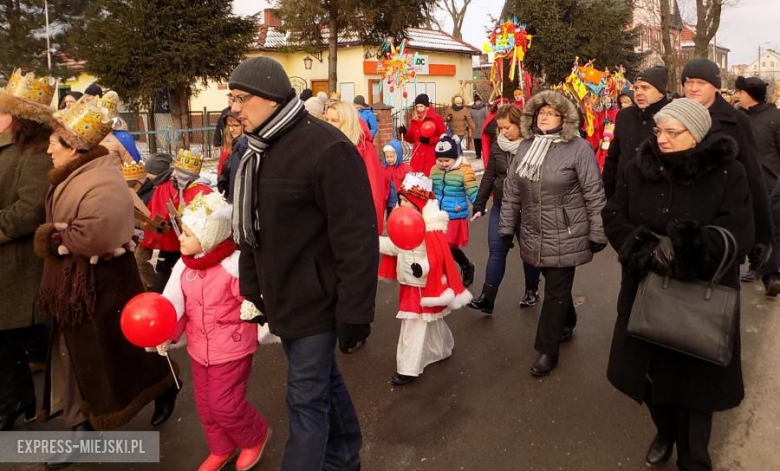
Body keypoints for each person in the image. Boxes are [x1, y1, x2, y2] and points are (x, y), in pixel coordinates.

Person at [228, 56, 377, 471]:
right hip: (281, 297)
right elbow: (253, 230)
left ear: (271, 98)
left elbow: (357, 238)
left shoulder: (327, 148)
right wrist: (252, 288)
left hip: (318, 300)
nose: (234, 108)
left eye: (241, 98)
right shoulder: (257, 150)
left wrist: (355, 313)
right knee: (322, 382)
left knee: (304, 397)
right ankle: (346, 455)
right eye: (231, 98)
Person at [602, 98, 753, 471]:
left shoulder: (727, 172)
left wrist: (687, 248)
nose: (663, 139)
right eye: (659, 130)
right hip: (645, 289)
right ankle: (665, 432)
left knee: (696, 388)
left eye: (673, 132)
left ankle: (695, 458)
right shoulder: (638, 168)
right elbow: (614, 215)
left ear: (698, 134)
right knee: (651, 380)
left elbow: (740, 231)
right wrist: (645, 248)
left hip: (700, 296)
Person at [35, 94, 178, 448]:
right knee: (84, 357)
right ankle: (80, 424)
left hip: (100, 286)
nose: (49, 149)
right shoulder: (74, 173)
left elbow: (94, 235)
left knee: (117, 353)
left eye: (55, 143)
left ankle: (162, 385)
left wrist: (50, 237)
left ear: (74, 147)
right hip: (77, 287)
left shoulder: (101, 179)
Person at [157, 193, 271, 471]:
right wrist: (166, 333)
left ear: (208, 236)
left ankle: (255, 436)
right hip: (199, 349)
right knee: (206, 405)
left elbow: (253, 297)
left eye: (187, 233)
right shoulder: (184, 267)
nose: (180, 238)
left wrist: (252, 307)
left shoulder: (233, 266)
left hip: (231, 349)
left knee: (225, 405)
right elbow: (177, 307)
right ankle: (222, 448)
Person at [499, 90, 607, 376]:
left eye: (551, 113)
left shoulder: (579, 148)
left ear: (564, 117)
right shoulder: (525, 147)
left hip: (567, 231)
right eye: (541, 113)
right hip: (534, 230)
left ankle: (547, 350)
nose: (544, 117)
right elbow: (511, 191)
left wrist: (598, 230)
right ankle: (568, 321)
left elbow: (594, 193)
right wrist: (507, 227)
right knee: (555, 284)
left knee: (555, 290)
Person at [681, 58, 774, 285]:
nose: (693, 88)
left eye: (701, 82)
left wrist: (762, 235)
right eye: (688, 81)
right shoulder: (674, 115)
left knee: (715, 304)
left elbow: (753, 174)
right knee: (675, 304)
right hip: (678, 223)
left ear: (715, 87)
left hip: (721, 227)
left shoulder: (736, 120)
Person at [0, 69, 55, 431]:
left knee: (31, 341)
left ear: (17, 118)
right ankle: (19, 399)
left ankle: (21, 402)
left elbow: (29, 210)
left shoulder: (33, 154)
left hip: (19, 269)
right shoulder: (7, 149)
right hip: (6, 267)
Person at [379, 173, 472, 385]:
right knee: (428, 321)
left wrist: (422, 268)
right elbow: (395, 247)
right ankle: (441, 348)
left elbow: (436, 257)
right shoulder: (402, 224)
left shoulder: (429, 230)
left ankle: (407, 367)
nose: (400, 204)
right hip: (409, 283)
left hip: (423, 285)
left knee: (413, 325)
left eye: (405, 201)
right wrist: (373, 241)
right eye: (400, 200)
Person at [469, 105, 542, 313]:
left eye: (507, 127)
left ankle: (531, 290)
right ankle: (487, 298)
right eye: (500, 128)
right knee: (496, 250)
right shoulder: (497, 146)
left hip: (527, 208)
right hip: (501, 206)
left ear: (520, 124)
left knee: (529, 252)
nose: (503, 132)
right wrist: (480, 204)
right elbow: (490, 175)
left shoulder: (534, 145)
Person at [141, 149, 212, 293]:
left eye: (177, 173)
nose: (173, 175)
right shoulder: (178, 188)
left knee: (171, 269)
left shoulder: (201, 191)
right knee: (166, 268)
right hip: (178, 238)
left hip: (193, 241)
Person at [734, 75, 780, 294]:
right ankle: (756, 265)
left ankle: (771, 275)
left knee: (771, 229)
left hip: (771, 185)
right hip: (743, 182)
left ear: (748, 94)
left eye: (740, 92)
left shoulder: (775, 117)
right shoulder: (738, 117)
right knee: (748, 226)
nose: (737, 95)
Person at [602, 66, 669, 200]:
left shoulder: (671, 117)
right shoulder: (624, 115)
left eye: (645, 88)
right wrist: (607, 193)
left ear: (661, 92)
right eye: (636, 88)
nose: (638, 93)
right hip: (622, 194)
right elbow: (613, 158)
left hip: (657, 197)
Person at [324, 99, 388, 233]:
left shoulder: (362, 148)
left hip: (353, 221)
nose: (328, 124)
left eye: (334, 120)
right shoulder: (329, 145)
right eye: (327, 120)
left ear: (347, 122)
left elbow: (373, 189)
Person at [430, 135, 478, 287]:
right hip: (438, 214)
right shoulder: (434, 170)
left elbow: (471, 189)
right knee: (444, 248)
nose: (443, 164)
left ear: (455, 157)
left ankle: (455, 273)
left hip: (455, 214)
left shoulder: (464, 170)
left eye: (447, 160)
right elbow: (430, 189)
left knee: (447, 247)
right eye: (440, 160)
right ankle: (465, 266)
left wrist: (479, 204)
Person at [133, 152, 175, 290]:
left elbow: (163, 214)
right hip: (151, 231)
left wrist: (150, 223)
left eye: (151, 173)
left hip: (163, 234)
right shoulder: (157, 187)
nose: (148, 176)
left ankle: (155, 289)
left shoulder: (165, 188)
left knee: (162, 266)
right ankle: (152, 288)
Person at [399, 93, 446, 176]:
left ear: (426, 107)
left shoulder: (436, 119)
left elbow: (443, 138)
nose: (418, 109)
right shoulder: (415, 120)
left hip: (430, 157)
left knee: (429, 183)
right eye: (417, 106)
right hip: (417, 158)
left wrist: (429, 140)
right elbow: (412, 139)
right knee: (417, 185)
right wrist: (405, 132)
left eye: (421, 106)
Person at [381, 138, 411, 218]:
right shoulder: (384, 168)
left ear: (398, 155)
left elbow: (410, 182)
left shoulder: (405, 168)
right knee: (390, 217)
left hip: (401, 200)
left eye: (391, 156)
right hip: (389, 201)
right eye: (387, 157)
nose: (389, 159)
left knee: (401, 217)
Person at [480, 97, 510, 170]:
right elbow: (487, 129)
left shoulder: (510, 115)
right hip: (495, 142)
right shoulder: (493, 116)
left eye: (504, 103)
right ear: (496, 105)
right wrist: (497, 130)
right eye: (500, 104)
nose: (502, 105)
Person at [217, 111, 242, 176]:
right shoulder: (228, 144)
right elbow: (220, 169)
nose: (231, 129)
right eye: (229, 125)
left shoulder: (247, 146)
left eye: (236, 126)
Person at [470, 94, 488, 159]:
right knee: (476, 142)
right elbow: (470, 118)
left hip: (482, 127)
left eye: (479, 101)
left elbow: (487, 117)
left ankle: (484, 154)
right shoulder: (472, 109)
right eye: (477, 101)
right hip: (475, 128)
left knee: (482, 141)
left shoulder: (484, 108)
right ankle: (478, 154)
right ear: (475, 102)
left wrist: (486, 125)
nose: (478, 102)